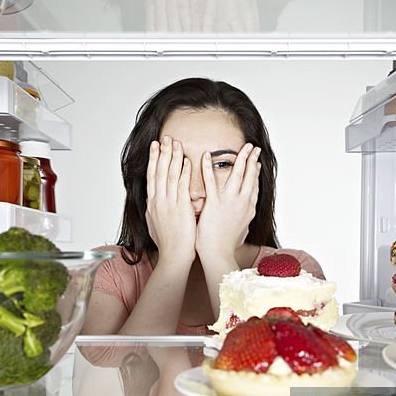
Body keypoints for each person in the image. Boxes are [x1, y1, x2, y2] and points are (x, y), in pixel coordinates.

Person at [83, 77, 325, 335]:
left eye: (222, 164)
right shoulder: (105, 270)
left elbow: (271, 373)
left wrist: (218, 253)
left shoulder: (297, 273)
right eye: (176, 163)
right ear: (146, 172)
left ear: (255, 175)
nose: (196, 191)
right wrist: (173, 259)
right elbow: (112, 374)